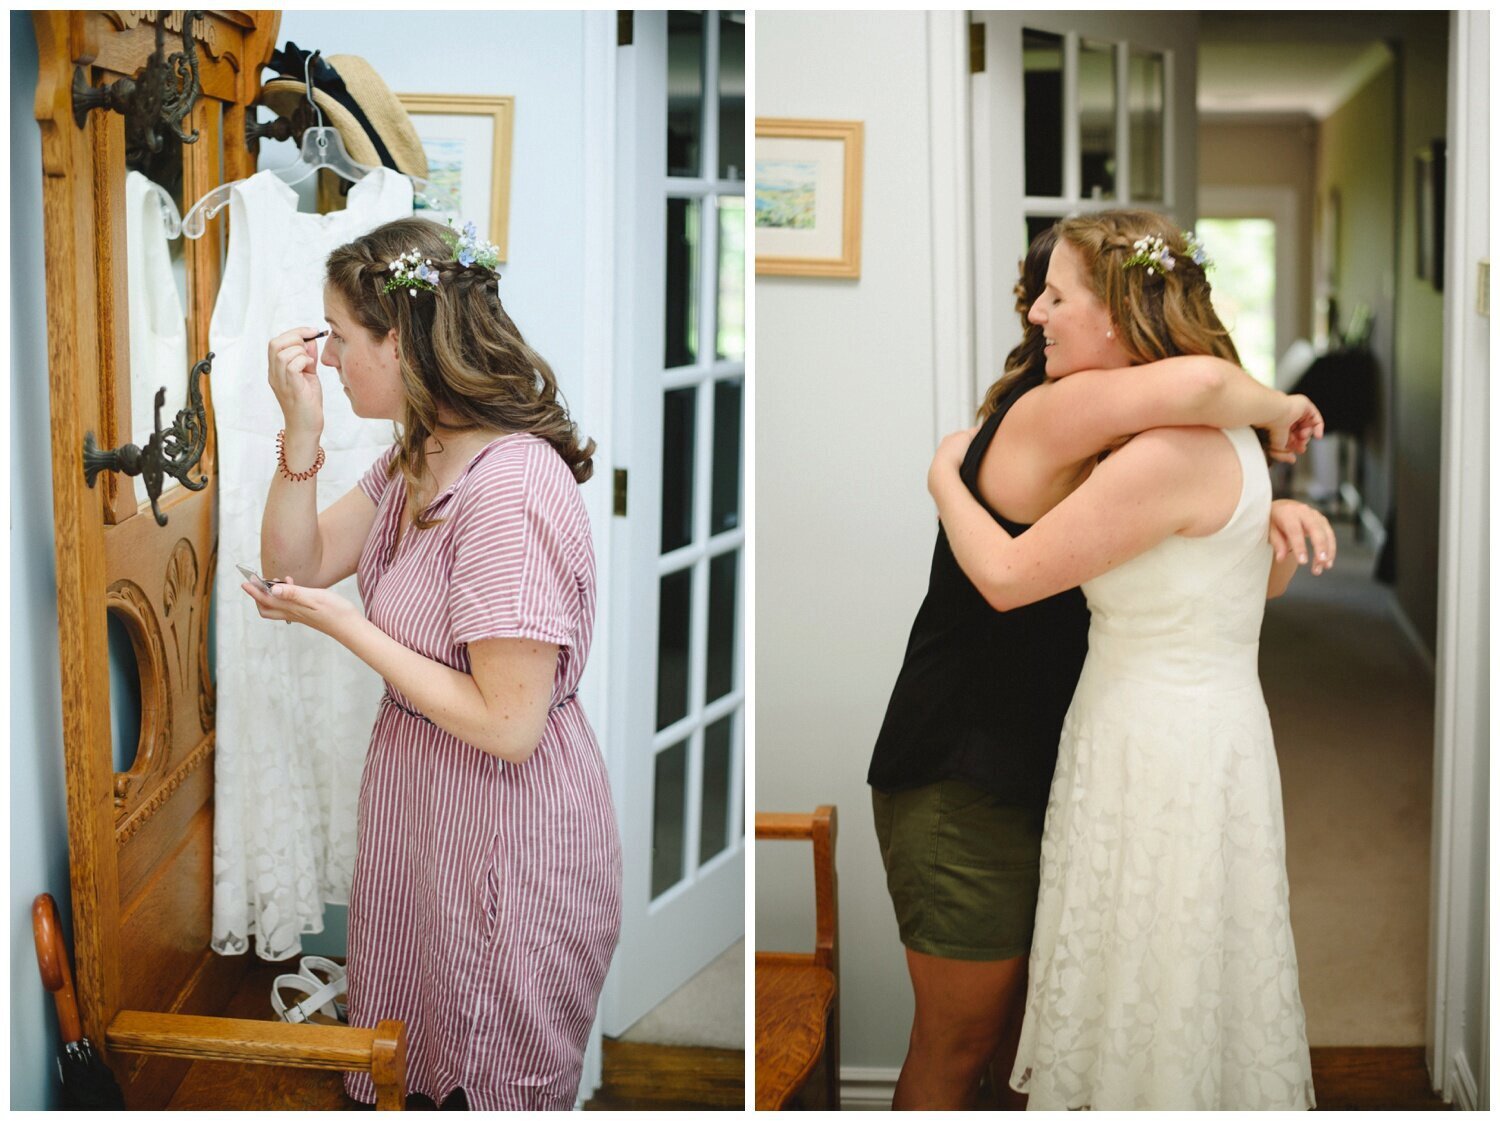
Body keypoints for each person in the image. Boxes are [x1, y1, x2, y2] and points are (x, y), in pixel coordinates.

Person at [869, 222, 1332, 1110]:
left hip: (1082, 758)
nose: (1036, 311)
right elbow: (1198, 386)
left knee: (1043, 1034)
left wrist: (1245, 527)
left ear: (1119, 315)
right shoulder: (1066, 412)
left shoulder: (1170, 436)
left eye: (1057, 293)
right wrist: (945, 477)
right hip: (962, 764)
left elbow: (1173, 518)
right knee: (964, 1041)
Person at [242, 215, 622, 1110]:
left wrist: (347, 627)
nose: (327, 354)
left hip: (506, 839)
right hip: (425, 817)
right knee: (408, 1068)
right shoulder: (419, 454)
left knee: (485, 1080)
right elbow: (294, 564)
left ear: (402, 340)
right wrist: (300, 430)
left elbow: (509, 724)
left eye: (340, 335)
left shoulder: (509, 488)